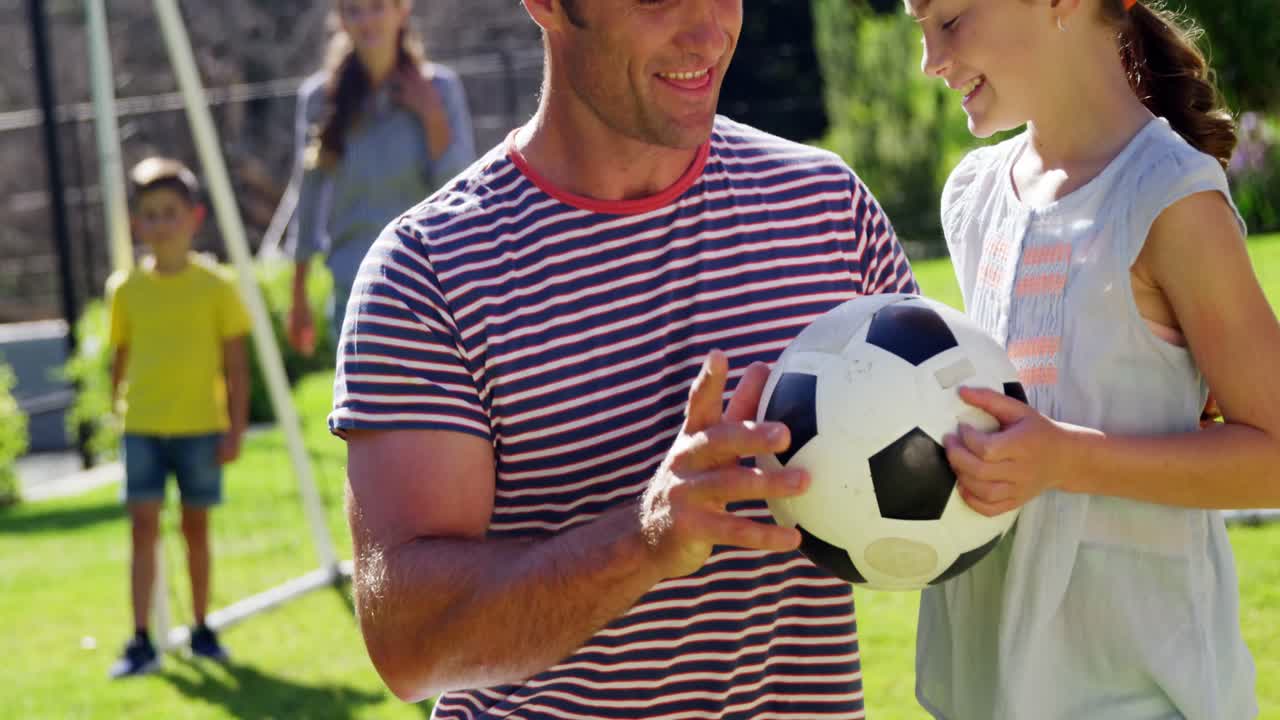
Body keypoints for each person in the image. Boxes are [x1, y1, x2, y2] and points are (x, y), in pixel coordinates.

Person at [333, 0, 918, 717]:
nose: (708, 33)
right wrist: (645, 539)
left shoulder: (826, 207)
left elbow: (936, 464)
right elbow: (410, 646)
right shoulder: (429, 273)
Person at [907, 0, 1280, 717]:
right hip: (990, 695)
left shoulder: (1167, 196)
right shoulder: (974, 196)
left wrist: (1065, 459)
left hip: (1140, 696)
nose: (931, 61)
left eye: (949, 21)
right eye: (918, 28)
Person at [105, 157, 251, 678]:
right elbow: (118, 359)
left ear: (194, 217)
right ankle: (140, 639)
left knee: (195, 529)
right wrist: (113, 412)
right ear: (136, 224)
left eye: (171, 212)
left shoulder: (217, 286)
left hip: (199, 431)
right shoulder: (124, 290)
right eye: (150, 214)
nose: (161, 224)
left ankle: (203, 628)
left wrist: (234, 429)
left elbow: (237, 365)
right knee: (143, 529)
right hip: (142, 428)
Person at [286, 0, 477, 355]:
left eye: (377, 7)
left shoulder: (441, 89)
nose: (367, 21)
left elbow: (461, 196)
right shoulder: (319, 99)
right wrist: (298, 297)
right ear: (341, 19)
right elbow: (307, 200)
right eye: (354, 10)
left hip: (431, 292)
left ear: (401, 10)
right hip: (355, 293)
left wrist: (432, 116)